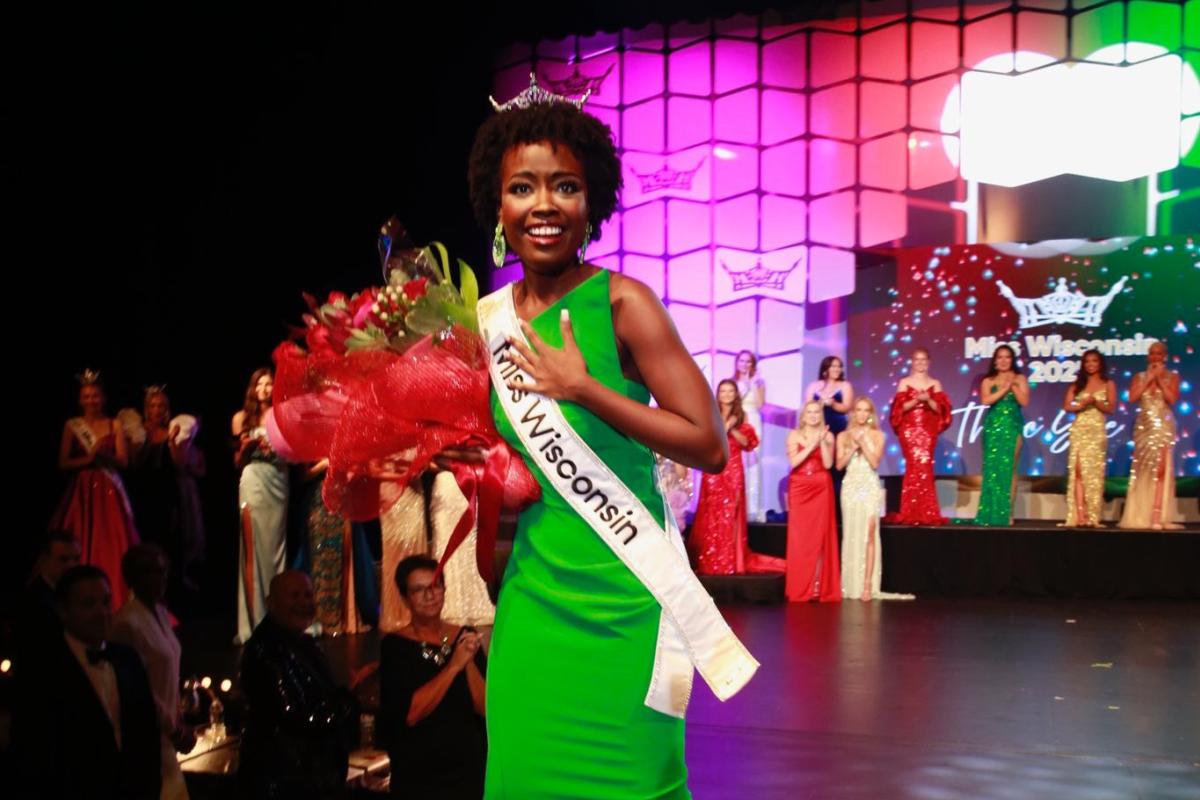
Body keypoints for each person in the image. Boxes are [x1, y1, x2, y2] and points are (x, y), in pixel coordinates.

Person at [468, 77, 756, 797]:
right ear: (498, 206)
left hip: (626, 604)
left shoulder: (626, 304)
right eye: (523, 189)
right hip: (535, 608)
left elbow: (708, 442)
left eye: (564, 187)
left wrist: (586, 389)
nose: (543, 206)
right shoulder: (487, 321)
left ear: (591, 201)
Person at [11, 565, 161, 800]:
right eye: (89, 605)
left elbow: (146, 734)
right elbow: (32, 753)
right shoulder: (42, 670)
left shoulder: (127, 658)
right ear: (62, 611)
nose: (102, 612)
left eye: (106, 602)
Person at [237, 571, 356, 800]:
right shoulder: (267, 650)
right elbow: (297, 715)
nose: (304, 602)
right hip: (284, 781)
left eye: (308, 595)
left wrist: (349, 690)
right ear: (271, 602)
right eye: (294, 596)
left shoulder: (301, 641)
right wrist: (350, 703)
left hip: (304, 776)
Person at [379, 555, 486, 798]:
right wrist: (453, 667)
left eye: (436, 585)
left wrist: (467, 662)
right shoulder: (395, 646)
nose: (430, 595)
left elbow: (485, 708)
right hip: (421, 775)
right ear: (405, 598)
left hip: (467, 770)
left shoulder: (465, 636)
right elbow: (412, 712)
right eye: (419, 589)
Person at [110, 544, 193, 800]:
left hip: (167, 734)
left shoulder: (159, 612)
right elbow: (138, 687)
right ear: (132, 577)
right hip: (145, 736)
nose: (158, 579)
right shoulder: (126, 623)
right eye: (148, 572)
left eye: (162, 571)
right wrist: (174, 729)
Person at [52, 371, 139, 606]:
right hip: (82, 492)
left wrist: (105, 455)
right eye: (87, 396)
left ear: (103, 398)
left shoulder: (114, 424)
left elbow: (123, 461)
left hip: (109, 489)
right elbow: (63, 462)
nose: (91, 401)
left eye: (95, 396)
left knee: (113, 540)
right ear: (81, 400)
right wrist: (91, 457)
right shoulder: (73, 425)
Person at [690, 380, 784, 575]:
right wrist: (725, 425)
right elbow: (711, 439)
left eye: (730, 390)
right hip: (715, 469)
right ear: (718, 394)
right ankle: (710, 559)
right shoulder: (710, 414)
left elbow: (747, 444)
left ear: (735, 394)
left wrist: (732, 427)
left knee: (730, 514)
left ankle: (729, 560)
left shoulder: (742, 417)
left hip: (733, 470)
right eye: (723, 390)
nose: (726, 394)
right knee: (712, 513)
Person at [128, 386, 207, 607]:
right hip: (144, 494)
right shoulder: (138, 432)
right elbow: (135, 463)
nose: (157, 410)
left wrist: (172, 441)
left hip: (169, 495)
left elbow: (181, 464)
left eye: (161, 405)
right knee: (146, 542)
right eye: (152, 406)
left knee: (171, 544)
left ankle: (171, 595)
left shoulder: (174, 430)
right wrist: (144, 439)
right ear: (146, 409)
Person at [233, 368, 288, 644]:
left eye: (270, 384)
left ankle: (281, 615)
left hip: (278, 481)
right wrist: (249, 447)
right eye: (261, 385)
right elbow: (236, 462)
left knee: (275, 549)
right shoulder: (241, 418)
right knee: (254, 548)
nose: (265, 389)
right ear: (253, 388)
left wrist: (276, 449)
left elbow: (293, 454)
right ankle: (255, 620)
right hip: (253, 481)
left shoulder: (282, 415)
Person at [838, 398, 912, 601]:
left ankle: (867, 585)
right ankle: (849, 583)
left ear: (870, 414)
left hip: (869, 487)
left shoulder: (878, 435)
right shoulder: (843, 436)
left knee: (870, 534)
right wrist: (852, 447)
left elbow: (875, 462)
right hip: (850, 487)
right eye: (858, 410)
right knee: (852, 534)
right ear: (853, 413)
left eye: (865, 410)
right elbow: (838, 465)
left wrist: (863, 443)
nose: (861, 414)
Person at [960, 345, 1028, 526]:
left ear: (1012, 360)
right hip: (993, 427)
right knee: (992, 470)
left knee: (1010, 469)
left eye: (1007, 357)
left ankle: (1007, 512)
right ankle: (991, 510)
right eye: (1000, 357)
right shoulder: (988, 381)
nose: (1004, 361)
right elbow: (985, 400)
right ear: (995, 361)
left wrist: (1012, 386)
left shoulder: (1019, 378)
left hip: (1013, 426)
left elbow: (1024, 401)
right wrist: (1004, 389)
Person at [1119, 340, 1182, 529]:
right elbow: (1131, 398)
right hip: (1144, 427)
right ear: (1148, 356)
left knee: (1162, 469)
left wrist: (1160, 379)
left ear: (1165, 356)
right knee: (1143, 470)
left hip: (1163, 425)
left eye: (1159, 353)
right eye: (1152, 353)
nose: (1155, 357)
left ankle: (1157, 515)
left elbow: (1172, 399)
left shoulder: (1173, 377)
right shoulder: (1139, 377)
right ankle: (1141, 513)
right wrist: (1149, 378)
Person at [885, 348, 952, 525]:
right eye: (917, 359)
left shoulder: (935, 383)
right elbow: (898, 409)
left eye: (923, 360)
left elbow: (942, 410)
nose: (920, 363)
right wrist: (917, 400)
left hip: (928, 431)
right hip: (909, 430)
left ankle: (927, 510)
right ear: (912, 362)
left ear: (929, 362)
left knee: (925, 466)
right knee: (913, 466)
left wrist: (928, 399)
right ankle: (910, 510)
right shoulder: (904, 382)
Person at [784, 401, 840, 602]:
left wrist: (823, 442)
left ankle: (817, 586)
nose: (814, 415)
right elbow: (795, 462)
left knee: (820, 536)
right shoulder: (794, 435)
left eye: (817, 412)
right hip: (800, 488)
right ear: (803, 415)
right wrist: (812, 444)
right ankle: (800, 586)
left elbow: (827, 463)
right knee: (801, 539)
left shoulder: (829, 436)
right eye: (809, 412)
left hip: (821, 487)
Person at [1060, 349, 1116, 528]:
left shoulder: (1108, 383)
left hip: (1096, 430)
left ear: (1100, 364)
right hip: (1079, 429)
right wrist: (1081, 403)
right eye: (1087, 361)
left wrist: (1097, 403)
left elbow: (1111, 407)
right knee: (1077, 471)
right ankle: (1079, 514)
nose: (1091, 364)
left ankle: (1093, 515)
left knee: (1093, 473)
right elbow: (1067, 405)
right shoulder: (1077, 384)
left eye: (1094, 361)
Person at [13, 530, 81, 663]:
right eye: (63, 559)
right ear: (44, 559)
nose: (72, 566)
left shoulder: (69, 593)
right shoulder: (34, 601)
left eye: (77, 559)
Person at [732, 350, 767, 522]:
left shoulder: (758, 383)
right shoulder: (732, 383)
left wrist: (751, 382)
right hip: (737, 422)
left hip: (753, 422)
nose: (745, 365)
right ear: (737, 363)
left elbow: (760, 404)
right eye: (742, 361)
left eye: (748, 362)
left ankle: (753, 509)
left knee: (753, 463)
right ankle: (738, 507)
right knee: (738, 464)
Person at [804, 356, 853, 436]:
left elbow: (847, 407)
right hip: (817, 426)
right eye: (834, 366)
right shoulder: (813, 386)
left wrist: (833, 404)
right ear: (825, 368)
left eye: (839, 367)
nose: (837, 369)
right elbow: (807, 407)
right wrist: (819, 404)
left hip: (839, 427)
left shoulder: (845, 385)